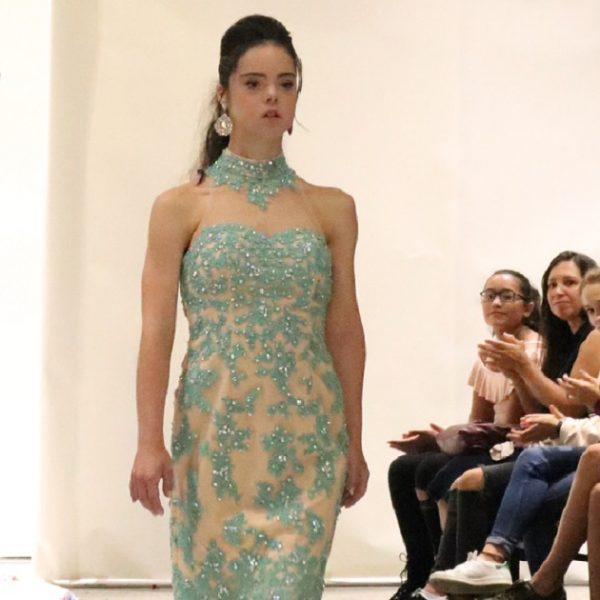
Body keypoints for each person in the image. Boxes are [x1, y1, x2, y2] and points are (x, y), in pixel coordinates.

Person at [128, 15, 368, 599]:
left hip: (309, 440)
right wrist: (148, 440)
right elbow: (156, 331)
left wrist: (354, 441)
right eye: (254, 83)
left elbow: (344, 328)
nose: (272, 97)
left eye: (286, 84)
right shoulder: (179, 207)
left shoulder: (332, 208)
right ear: (224, 95)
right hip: (213, 438)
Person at [428, 264, 600, 597]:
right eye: (552, 283)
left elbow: (557, 410)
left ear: (528, 305)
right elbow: (485, 418)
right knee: (417, 470)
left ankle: (483, 576)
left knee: (477, 478)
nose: (559, 291)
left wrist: (524, 374)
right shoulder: (559, 341)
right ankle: (450, 579)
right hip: (556, 443)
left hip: (561, 446)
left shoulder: (549, 345)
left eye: (506, 296)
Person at [387, 269, 542, 600]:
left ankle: (446, 577)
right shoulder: (489, 350)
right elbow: (479, 421)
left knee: (430, 470)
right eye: (489, 295)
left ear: (528, 307)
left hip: (519, 447)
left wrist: (516, 370)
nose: (496, 302)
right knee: (402, 468)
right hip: (493, 443)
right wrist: (442, 439)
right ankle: (420, 572)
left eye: (507, 296)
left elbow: (528, 418)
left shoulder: (532, 348)